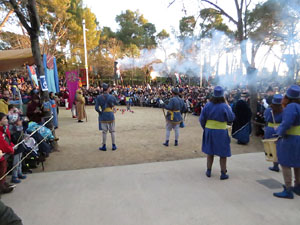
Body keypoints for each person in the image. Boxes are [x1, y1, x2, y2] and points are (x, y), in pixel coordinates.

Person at [199, 86, 235, 180]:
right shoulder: (224, 106)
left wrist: (205, 128)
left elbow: (202, 119)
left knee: (210, 152)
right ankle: (223, 173)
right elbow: (231, 118)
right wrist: (228, 106)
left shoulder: (208, 105)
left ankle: (208, 171)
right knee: (223, 153)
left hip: (209, 130)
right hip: (221, 132)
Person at [273, 85, 300, 199]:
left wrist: (279, 131)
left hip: (290, 138)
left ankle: (288, 189)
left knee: (285, 163)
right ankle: (298, 186)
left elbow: (287, 123)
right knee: (298, 163)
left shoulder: (291, 107)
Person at [95, 83, 117, 151]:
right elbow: (115, 103)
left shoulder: (99, 97)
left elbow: (96, 108)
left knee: (104, 132)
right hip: (110, 114)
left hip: (103, 115)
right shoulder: (112, 97)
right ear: (107, 89)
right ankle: (113, 145)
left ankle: (104, 146)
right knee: (112, 131)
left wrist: (100, 112)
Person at [263, 94, 283, 172]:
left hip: (271, 129)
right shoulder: (284, 110)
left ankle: (275, 165)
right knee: (280, 147)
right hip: (281, 129)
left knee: (272, 148)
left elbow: (266, 118)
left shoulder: (269, 110)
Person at [0, 113, 15, 194]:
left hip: (3, 153)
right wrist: (10, 149)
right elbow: (2, 143)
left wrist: (11, 146)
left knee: (3, 168)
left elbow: (8, 140)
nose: (6, 120)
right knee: (1, 169)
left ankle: (3, 183)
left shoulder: (5, 128)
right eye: (4, 118)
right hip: (1, 153)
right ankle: (2, 186)